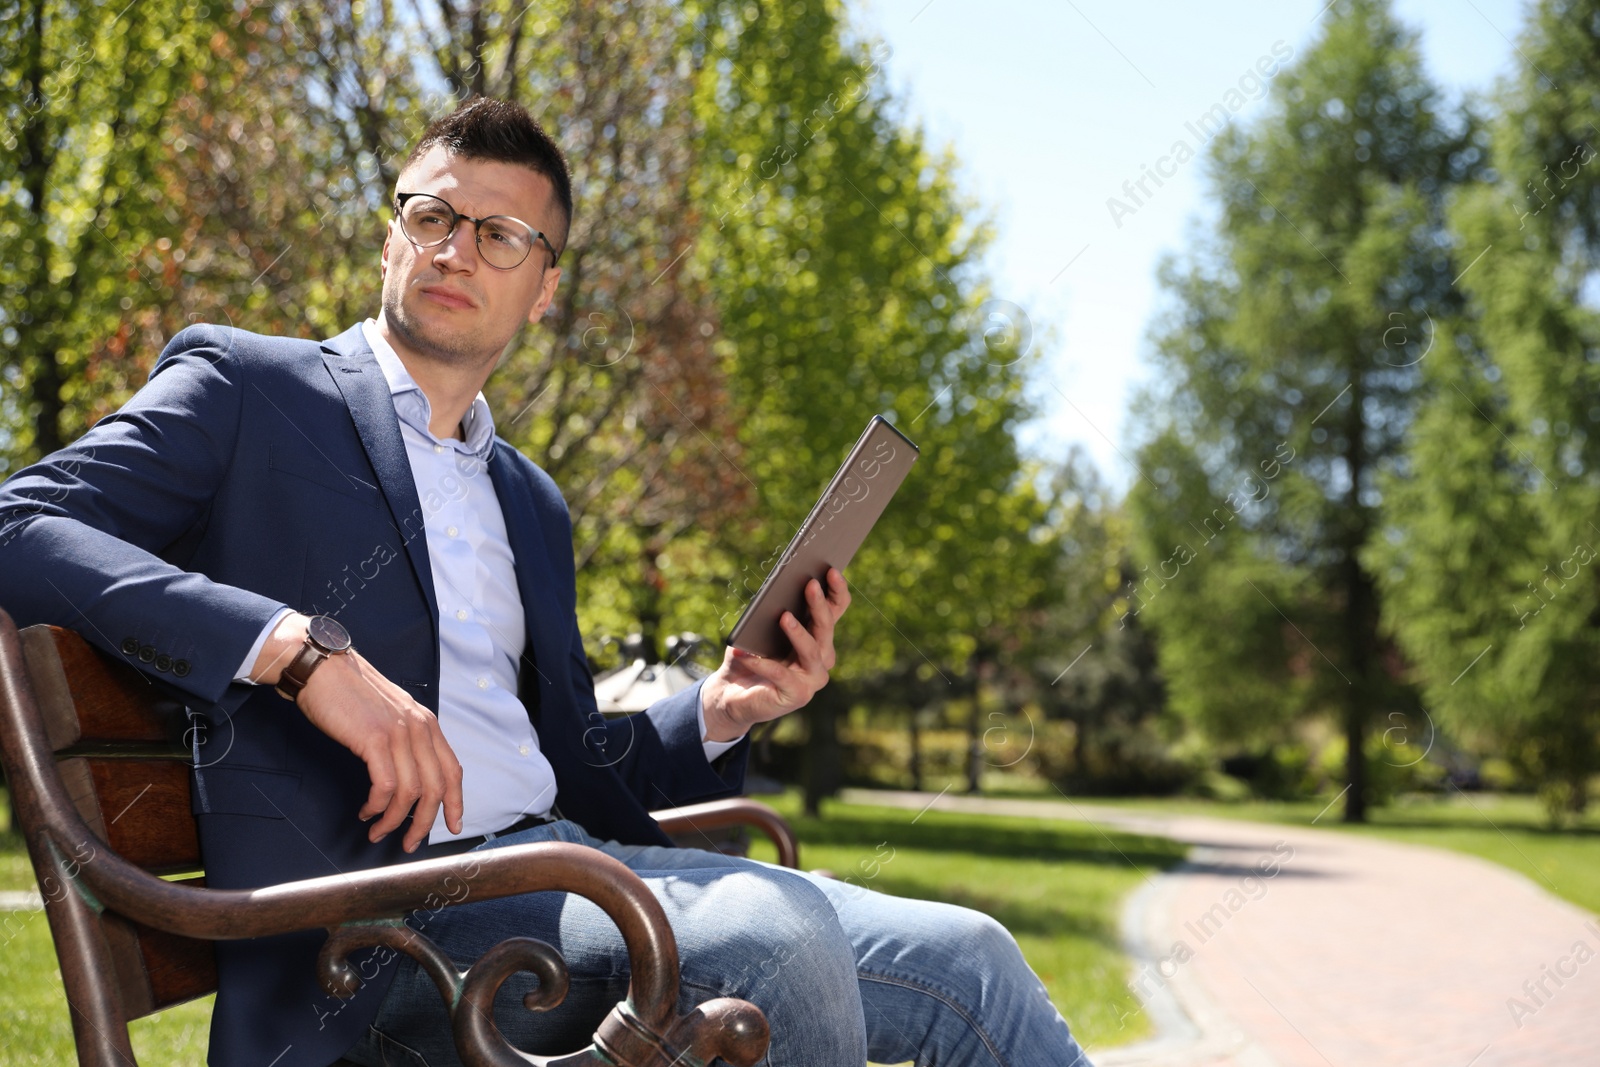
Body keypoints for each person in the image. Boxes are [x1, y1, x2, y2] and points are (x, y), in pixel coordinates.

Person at [0, 97, 1091, 1067]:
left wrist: (720, 709)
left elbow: (569, 758)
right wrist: (294, 649)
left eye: (499, 234)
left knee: (973, 956)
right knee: (771, 940)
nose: (453, 251)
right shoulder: (250, 389)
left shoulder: (531, 497)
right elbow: (20, 523)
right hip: (375, 933)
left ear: (545, 288)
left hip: (566, 872)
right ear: (391, 235)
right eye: (430, 217)